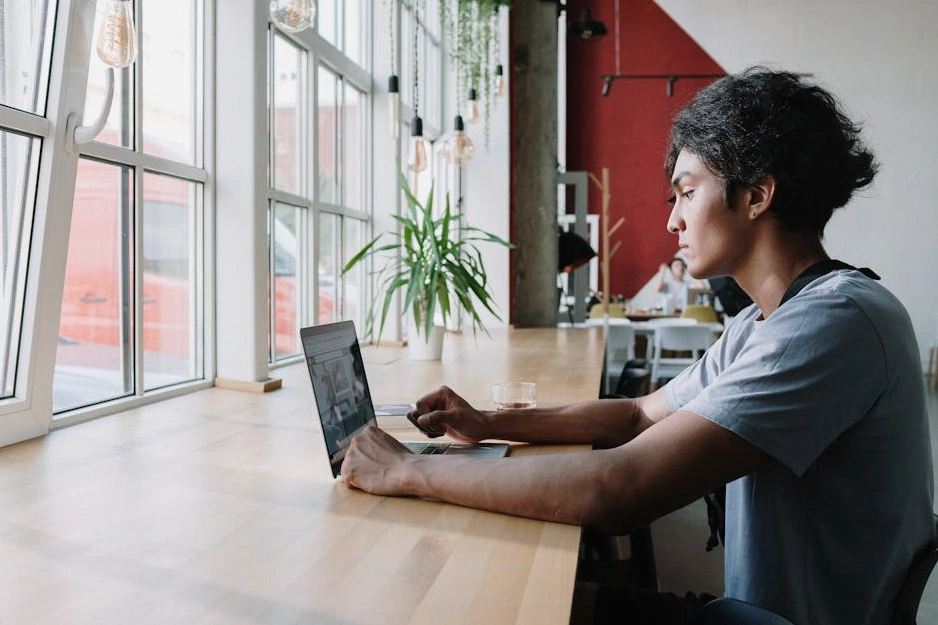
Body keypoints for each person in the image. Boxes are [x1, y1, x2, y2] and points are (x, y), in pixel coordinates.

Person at [339, 67, 934, 625]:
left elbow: (618, 488)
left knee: (497, 603)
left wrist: (407, 471)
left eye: (686, 191)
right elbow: (634, 414)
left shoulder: (835, 321)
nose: (672, 220)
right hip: (752, 607)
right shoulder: (764, 322)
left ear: (757, 196)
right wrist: (487, 421)